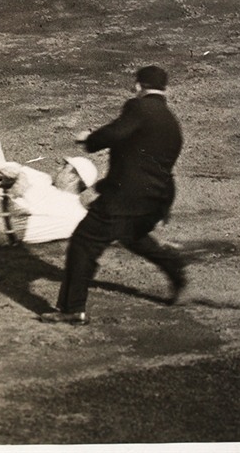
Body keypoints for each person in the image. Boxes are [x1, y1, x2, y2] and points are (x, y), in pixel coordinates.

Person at [41, 66, 187, 325]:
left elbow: (116, 133)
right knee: (132, 235)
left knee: (85, 241)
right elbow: (143, 152)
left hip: (124, 197)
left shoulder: (139, 108)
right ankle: (175, 268)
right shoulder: (171, 121)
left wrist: (90, 139)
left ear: (138, 86)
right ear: (165, 89)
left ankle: (72, 309)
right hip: (157, 198)